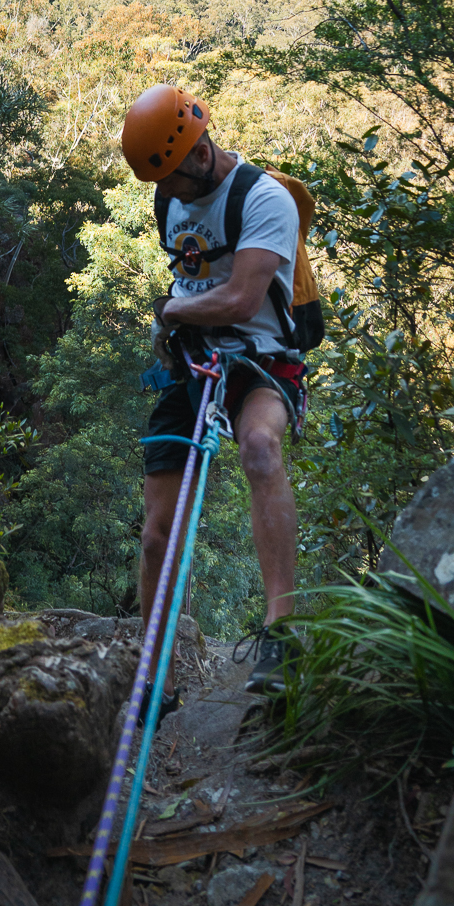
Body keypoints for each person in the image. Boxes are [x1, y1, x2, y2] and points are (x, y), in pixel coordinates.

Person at [121, 83, 305, 712]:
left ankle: (282, 631)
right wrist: (175, 327)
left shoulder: (265, 200)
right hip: (193, 362)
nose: (166, 192)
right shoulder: (168, 201)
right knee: (156, 536)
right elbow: (191, 274)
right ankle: (155, 671)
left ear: (197, 156)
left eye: (172, 177)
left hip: (262, 359)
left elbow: (240, 300)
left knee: (258, 446)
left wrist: (169, 311)